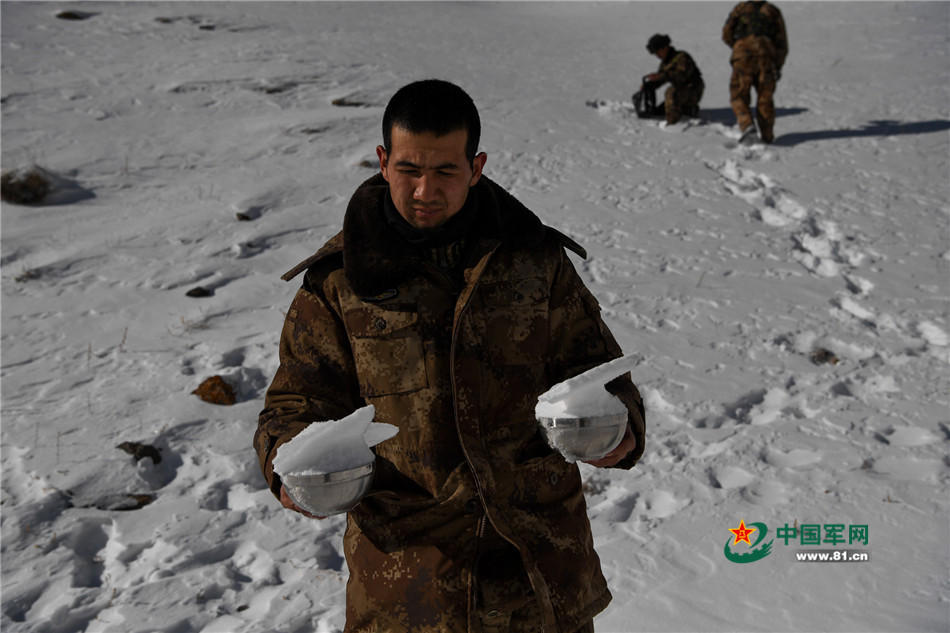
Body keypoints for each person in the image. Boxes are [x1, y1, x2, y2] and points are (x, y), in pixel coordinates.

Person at [254, 79, 646, 633]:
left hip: (538, 577)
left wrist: (619, 431)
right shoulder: (339, 285)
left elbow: (600, 371)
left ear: (477, 166)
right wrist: (292, 469)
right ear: (383, 161)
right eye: (410, 170)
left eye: (445, 172)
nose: (424, 191)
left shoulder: (534, 262)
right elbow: (292, 404)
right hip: (408, 588)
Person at [722, 0, 789, 143]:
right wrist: (777, 65)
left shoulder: (740, 8)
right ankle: (767, 138)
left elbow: (726, 33)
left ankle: (747, 126)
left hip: (743, 57)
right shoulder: (773, 11)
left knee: (739, 95)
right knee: (765, 100)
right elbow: (782, 43)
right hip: (767, 58)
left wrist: (739, 47)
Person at [642, 33, 705, 124]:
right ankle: (687, 109)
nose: (657, 55)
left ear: (665, 48)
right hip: (681, 91)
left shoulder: (682, 57)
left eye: (658, 51)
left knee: (671, 92)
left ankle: (673, 124)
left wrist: (661, 76)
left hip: (693, 89)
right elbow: (661, 78)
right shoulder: (665, 62)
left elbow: (681, 76)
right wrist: (649, 84)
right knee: (661, 110)